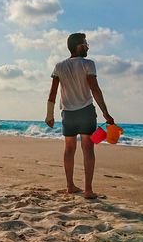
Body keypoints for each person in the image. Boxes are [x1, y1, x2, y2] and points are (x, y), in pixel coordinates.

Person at [45, 33, 114, 199]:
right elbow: (95, 89)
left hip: (67, 113)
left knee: (69, 149)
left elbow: (53, 92)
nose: (87, 46)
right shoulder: (88, 64)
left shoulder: (59, 66)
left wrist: (49, 114)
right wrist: (106, 113)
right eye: (85, 44)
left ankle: (70, 186)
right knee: (88, 149)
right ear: (78, 46)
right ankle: (88, 190)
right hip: (85, 112)